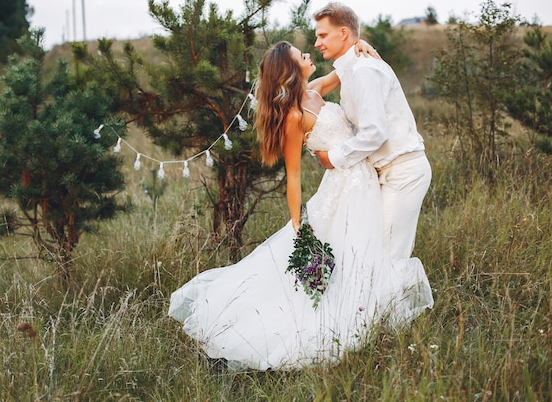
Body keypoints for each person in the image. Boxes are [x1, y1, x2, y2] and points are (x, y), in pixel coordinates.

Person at [168, 41, 433, 371]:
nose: (309, 56)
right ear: (291, 71)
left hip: (365, 183)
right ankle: (340, 323)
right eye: (301, 56)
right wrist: (298, 224)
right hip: (343, 191)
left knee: (364, 253)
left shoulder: (316, 88)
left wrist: (361, 44)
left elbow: (347, 68)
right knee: (344, 257)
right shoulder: (294, 116)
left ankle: (368, 315)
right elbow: (293, 176)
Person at [312, 2, 432, 261]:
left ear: (343, 33)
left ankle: (387, 303)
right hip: (380, 172)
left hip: (402, 171)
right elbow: (316, 88)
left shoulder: (364, 70)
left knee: (386, 253)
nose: (316, 43)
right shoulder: (351, 68)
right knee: (367, 249)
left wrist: (332, 158)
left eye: (322, 35)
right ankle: (370, 302)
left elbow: (376, 133)